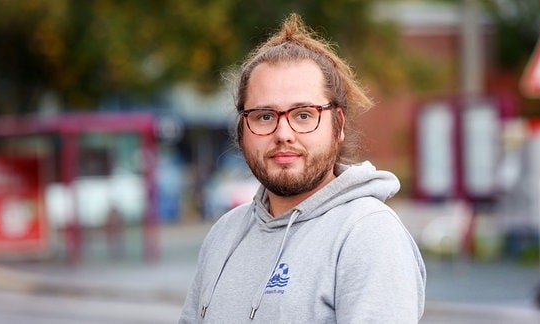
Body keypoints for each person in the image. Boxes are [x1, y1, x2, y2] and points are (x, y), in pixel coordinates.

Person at [178, 13, 426, 323]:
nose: (283, 133)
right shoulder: (223, 235)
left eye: (304, 115)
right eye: (265, 116)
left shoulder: (368, 234)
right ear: (242, 128)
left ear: (338, 126)